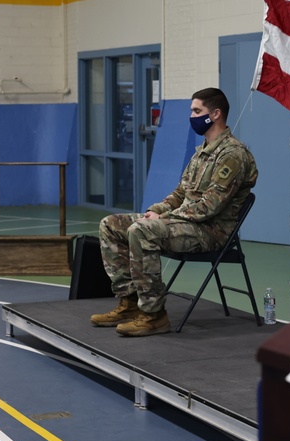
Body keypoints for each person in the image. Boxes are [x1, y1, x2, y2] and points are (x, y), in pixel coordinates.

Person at [91, 87, 258, 336]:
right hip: (186, 224)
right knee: (110, 224)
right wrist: (155, 211)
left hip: (211, 232)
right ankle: (129, 303)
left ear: (215, 114)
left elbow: (208, 207)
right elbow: (180, 194)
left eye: (196, 111)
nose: (192, 116)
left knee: (142, 231)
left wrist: (164, 218)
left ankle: (153, 314)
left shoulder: (233, 155)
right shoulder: (201, 152)